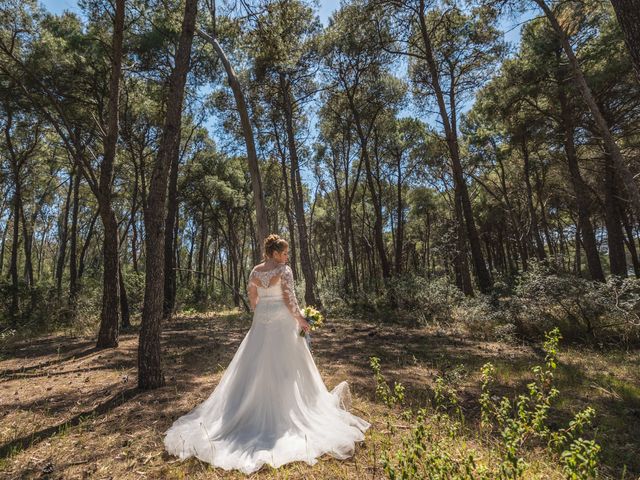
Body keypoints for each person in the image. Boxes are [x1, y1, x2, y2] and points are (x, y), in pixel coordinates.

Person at [163, 233, 371, 474]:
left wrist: (260, 309)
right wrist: (301, 319)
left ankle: (248, 408)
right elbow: (288, 298)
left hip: (261, 321)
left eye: (286, 253)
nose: (286, 256)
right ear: (274, 253)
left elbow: (252, 295)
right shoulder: (284, 270)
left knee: (256, 362)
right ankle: (288, 412)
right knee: (287, 365)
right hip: (282, 320)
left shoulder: (255, 270)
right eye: (283, 252)